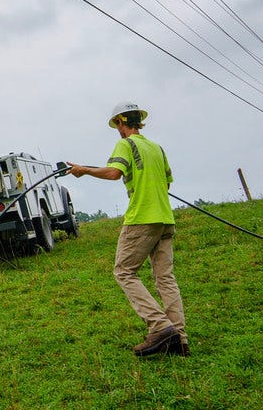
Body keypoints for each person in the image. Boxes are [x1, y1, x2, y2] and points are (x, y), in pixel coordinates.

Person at [65, 102, 188, 358]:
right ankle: (180, 339)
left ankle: (160, 327)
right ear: (138, 121)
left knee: (124, 271)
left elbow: (112, 173)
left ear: (122, 123)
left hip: (142, 218)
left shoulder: (126, 144)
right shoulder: (157, 148)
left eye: (117, 125)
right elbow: (166, 184)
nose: (117, 130)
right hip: (165, 219)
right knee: (165, 278)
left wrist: (83, 171)